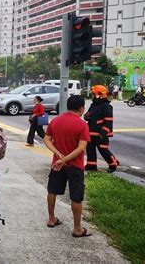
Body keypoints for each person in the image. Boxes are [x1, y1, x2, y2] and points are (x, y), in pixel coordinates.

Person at [43, 95, 92, 238]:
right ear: (81, 108)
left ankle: (51, 218)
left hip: (57, 164)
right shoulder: (82, 125)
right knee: (76, 196)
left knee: (52, 191)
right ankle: (77, 229)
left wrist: (58, 155)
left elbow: (47, 139)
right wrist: (65, 159)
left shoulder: (56, 120)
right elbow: (81, 148)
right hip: (75, 166)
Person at [84, 86, 119, 173]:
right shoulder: (93, 105)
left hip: (101, 134)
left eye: (93, 94)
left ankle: (113, 164)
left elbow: (108, 121)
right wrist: (87, 116)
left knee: (103, 149)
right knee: (90, 149)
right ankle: (91, 166)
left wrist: (103, 132)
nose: (92, 96)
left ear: (98, 95)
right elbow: (87, 115)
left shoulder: (107, 106)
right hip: (91, 132)